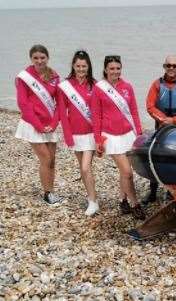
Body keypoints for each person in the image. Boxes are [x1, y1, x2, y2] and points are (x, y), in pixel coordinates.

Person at [91, 55, 145, 220]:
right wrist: (98, 139)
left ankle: (122, 200)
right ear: (106, 70)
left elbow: (134, 111)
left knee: (124, 172)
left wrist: (139, 133)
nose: (115, 71)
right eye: (112, 69)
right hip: (111, 137)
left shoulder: (127, 87)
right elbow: (96, 116)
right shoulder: (99, 88)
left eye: (118, 68)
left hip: (128, 134)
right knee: (128, 172)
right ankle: (135, 204)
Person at [144, 55, 176, 204]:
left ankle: (175, 191)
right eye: (168, 65)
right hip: (160, 124)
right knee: (153, 156)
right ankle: (152, 191)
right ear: (164, 67)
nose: (171, 68)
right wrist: (163, 119)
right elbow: (150, 105)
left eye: (174, 66)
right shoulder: (156, 85)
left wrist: (175, 120)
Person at [15, 44, 62, 205]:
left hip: (50, 125)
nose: (39, 61)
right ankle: (47, 193)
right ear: (31, 59)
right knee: (46, 159)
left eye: (42, 57)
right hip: (32, 124)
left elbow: (59, 103)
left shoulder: (54, 76)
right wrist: (39, 125)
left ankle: (52, 190)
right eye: (36, 58)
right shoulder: (24, 77)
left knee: (52, 160)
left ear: (47, 58)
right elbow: (23, 104)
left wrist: (55, 123)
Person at [57, 50, 98, 216]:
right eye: (78, 66)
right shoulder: (66, 85)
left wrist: (100, 135)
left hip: (91, 133)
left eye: (84, 66)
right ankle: (91, 196)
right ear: (73, 66)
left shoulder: (94, 84)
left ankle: (93, 201)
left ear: (88, 67)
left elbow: (99, 111)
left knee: (86, 167)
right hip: (75, 133)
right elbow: (62, 111)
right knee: (83, 169)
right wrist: (67, 135)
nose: (81, 69)